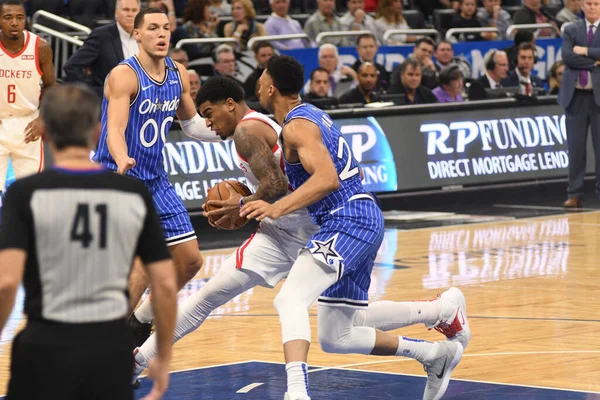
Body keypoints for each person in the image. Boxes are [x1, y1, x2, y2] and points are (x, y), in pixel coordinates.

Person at [244, 54, 469, 400]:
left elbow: (328, 179)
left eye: (261, 77)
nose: (257, 83)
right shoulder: (314, 116)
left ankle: (296, 392)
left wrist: (275, 209)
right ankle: (436, 347)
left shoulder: (296, 127)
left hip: (348, 218)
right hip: (354, 216)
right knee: (337, 335)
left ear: (271, 86)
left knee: (290, 298)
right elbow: (354, 172)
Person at [131, 75, 319, 384]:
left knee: (342, 327)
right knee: (207, 296)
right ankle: (135, 362)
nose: (208, 123)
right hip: (278, 233)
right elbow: (272, 180)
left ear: (229, 105)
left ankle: (427, 332)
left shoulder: (247, 130)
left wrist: (242, 202)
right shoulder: (249, 128)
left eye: (209, 114)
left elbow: (277, 185)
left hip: (312, 232)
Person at [0, 84, 178, 400]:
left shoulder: (23, 194)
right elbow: (164, 285)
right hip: (108, 350)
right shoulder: (132, 193)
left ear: (44, 132)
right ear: (98, 131)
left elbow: (6, 284)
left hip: (44, 343)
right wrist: (161, 357)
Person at [92, 8, 215, 345]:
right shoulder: (123, 75)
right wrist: (121, 157)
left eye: (166, 28)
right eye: (153, 28)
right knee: (141, 269)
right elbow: (114, 130)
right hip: (117, 176)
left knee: (190, 261)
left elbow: (191, 125)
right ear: (137, 34)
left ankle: (137, 320)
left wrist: (230, 130)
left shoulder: (178, 72)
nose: (162, 34)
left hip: (155, 179)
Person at [0, 0, 56, 194]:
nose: (14, 22)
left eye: (20, 17)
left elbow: (51, 87)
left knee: (32, 193)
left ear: (26, 20)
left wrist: (43, 119)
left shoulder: (41, 48)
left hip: (28, 123)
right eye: (8, 17)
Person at [559, 0, 600, 208]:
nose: (592, 7)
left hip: (598, 98)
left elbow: (576, 56)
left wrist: (583, 51)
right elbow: (567, 57)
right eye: (589, 3)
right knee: (575, 149)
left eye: (596, 3)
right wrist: (595, 61)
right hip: (575, 96)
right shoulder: (570, 29)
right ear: (582, 6)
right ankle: (574, 193)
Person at [64, 0, 141, 99]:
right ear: (116, 13)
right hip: (110, 104)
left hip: (141, 104)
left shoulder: (144, 37)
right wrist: (94, 93)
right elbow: (71, 66)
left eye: (134, 10)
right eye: (126, 10)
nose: (130, 14)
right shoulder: (101, 36)